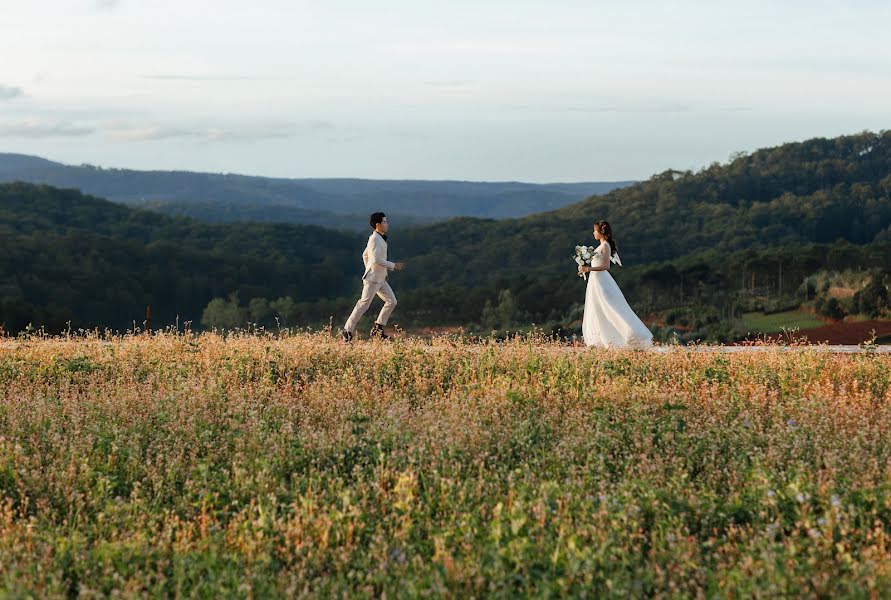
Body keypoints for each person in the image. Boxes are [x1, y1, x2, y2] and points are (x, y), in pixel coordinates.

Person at [577, 221, 653, 349]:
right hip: (595, 281)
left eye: (595, 230)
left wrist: (588, 269)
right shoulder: (600, 247)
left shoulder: (605, 246)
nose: (593, 233)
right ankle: (602, 339)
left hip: (601, 281)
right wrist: (584, 267)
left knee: (609, 308)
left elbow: (606, 266)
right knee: (598, 309)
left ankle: (629, 335)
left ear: (601, 232)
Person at [342, 212, 405, 341]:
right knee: (363, 304)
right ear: (378, 225)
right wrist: (393, 265)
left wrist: (371, 269)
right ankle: (347, 330)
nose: (387, 224)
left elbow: (365, 255)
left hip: (381, 279)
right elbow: (376, 259)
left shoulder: (378, 238)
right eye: (385, 222)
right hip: (372, 280)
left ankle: (378, 328)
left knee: (392, 301)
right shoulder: (374, 239)